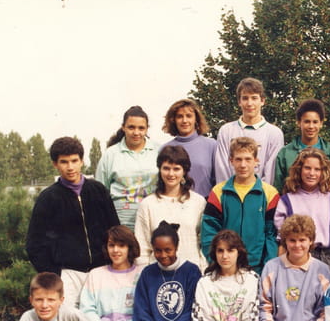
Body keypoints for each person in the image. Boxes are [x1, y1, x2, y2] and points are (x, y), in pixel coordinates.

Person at [26, 136, 119, 308]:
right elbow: (34, 244)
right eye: (64, 162)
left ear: (82, 161)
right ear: (55, 164)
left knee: (104, 317)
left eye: (74, 161)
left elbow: (115, 229)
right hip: (68, 275)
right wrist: (55, 274)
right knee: (69, 320)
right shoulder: (48, 198)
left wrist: (113, 264)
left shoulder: (98, 190)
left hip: (101, 270)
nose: (70, 167)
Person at [202, 137, 280, 274]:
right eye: (238, 159)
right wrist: (215, 263)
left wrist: (268, 267)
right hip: (225, 268)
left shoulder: (270, 193)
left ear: (256, 160)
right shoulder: (218, 192)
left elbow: (272, 235)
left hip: (257, 268)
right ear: (231, 160)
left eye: (248, 159)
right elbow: (209, 232)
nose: (243, 165)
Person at [275, 147, 330, 274]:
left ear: (324, 171)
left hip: (326, 256)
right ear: (299, 169)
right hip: (296, 256)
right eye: (307, 168)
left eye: (317, 169)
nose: (312, 173)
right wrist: (281, 269)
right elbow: (282, 238)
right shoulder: (287, 200)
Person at [135, 145, 207, 270]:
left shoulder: (198, 202)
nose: (171, 174)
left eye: (176, 169)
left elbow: (204, 243)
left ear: (184, 171)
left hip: (192, 272)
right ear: (160, 169)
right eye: (166, 168)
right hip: (158, 274)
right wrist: (145, 275)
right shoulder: (148, 204)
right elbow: (142, 247)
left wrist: (203, 271)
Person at [96, 105, 160, 230]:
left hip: (153, 219)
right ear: (123, 127)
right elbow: (100, 192)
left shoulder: (158, 151)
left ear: (147, 129)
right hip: (120, 222)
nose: (136, 132)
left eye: (141, 128)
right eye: (131, 127)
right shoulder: (110, 155)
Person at [214, 77, 285, 185]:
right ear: (239, 101)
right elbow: (222, 168)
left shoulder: (274, 133)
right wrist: (230, 191)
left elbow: (271, 172)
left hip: (261, 193)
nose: (249, 103)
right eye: (245, 98)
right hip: (230, 192)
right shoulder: (226, 131)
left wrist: (258, 192)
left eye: (254, 98)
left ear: (262, 101)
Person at [273, 98, 330, 192]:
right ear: (299, 122)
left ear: (321, 123)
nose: (311, 126)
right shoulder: (285, 153)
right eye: (307, 122)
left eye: (315, 122)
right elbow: (279, 187)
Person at [161, 98, 217, 198]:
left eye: (189, 116)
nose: (184, 120)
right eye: (180, 116)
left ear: (196, 119)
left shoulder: (212, 145)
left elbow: (218, 180)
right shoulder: (165, 148)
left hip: (205, 203)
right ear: (173, 120)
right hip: (174, 203)